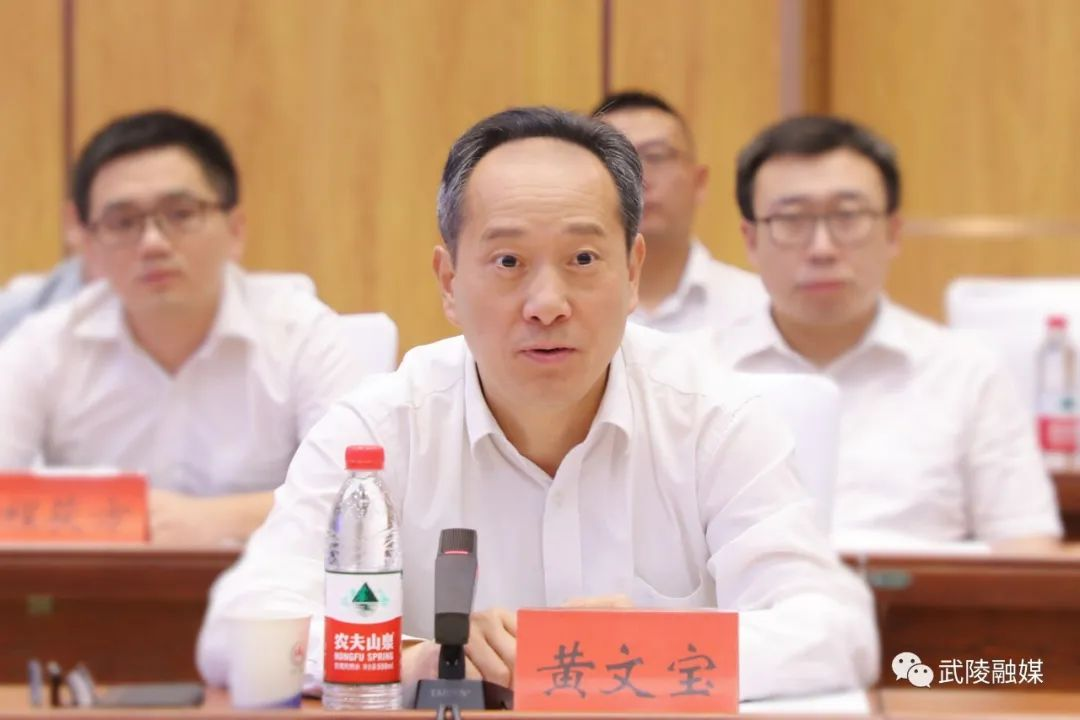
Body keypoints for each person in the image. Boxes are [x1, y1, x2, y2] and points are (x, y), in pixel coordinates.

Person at [196, 106, 877, 701]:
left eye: (583, 260)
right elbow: (238, 628)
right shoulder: (379, 428)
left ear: (632, 272)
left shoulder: (713, 417)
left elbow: (834, 631)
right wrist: (419, 662)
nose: (547, 304)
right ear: (448, 281)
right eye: (508, 262)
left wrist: (639, 652)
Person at [0, 109, 369, 546]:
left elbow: (357, 496)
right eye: (123, 222)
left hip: (269, 583)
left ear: (235, 229)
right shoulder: (43, 345)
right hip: (96, 586)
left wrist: (211, 521)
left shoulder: (304, 335)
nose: (153, 243)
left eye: (180, 214)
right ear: (87, 242)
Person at [709, 114, 1062, 550]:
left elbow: (1026, 546)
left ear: (893, 232)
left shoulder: (968, 373)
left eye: (847, 215)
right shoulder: (695, 373)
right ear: (750, 240)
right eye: (792, 219)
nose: (822, 248)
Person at [592, 91, 766, 332]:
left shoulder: (759, 306)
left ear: (699, 182)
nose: (639, 179)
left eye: (656, 156)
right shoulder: (563, 309)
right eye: (618, 162)